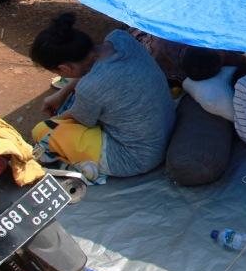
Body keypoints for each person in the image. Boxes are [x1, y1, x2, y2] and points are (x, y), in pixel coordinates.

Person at [30, 14, 176, 178]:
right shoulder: (120, 37)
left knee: (42, 131)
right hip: (166, 128)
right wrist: (62, 94)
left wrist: (54, 121)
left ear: (64, 68)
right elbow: (86, 75)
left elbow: (79, 119)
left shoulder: (91, 87)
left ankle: (88, 165)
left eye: (58, 71)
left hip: (135, 157)